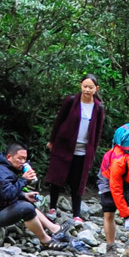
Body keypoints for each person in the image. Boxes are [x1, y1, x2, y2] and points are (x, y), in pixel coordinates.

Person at [45, 76, 105, 224]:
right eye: (85, 86)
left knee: (78, 181)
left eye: (90, 87)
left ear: (96, 89)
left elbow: (98, 131)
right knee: (57, 177)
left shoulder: (98, 107)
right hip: (64, 145)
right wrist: (52, 141)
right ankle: (53, 207)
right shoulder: (71, 101)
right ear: (81, 86)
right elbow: (59, 121)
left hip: (83, 149)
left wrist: (93, 150)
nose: (87, 90)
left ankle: (76, 214)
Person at [0, 142, 64, 246]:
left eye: (25, 159)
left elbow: (2, 192)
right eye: (20, 158)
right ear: (9, 157)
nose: (22, 162)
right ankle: (45, 240)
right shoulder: (0, 172)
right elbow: (8, 194)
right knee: (26, 209)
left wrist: (24, 195)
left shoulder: (3, 168)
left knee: (25, 201)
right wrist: (23, 180)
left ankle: (54, 228)